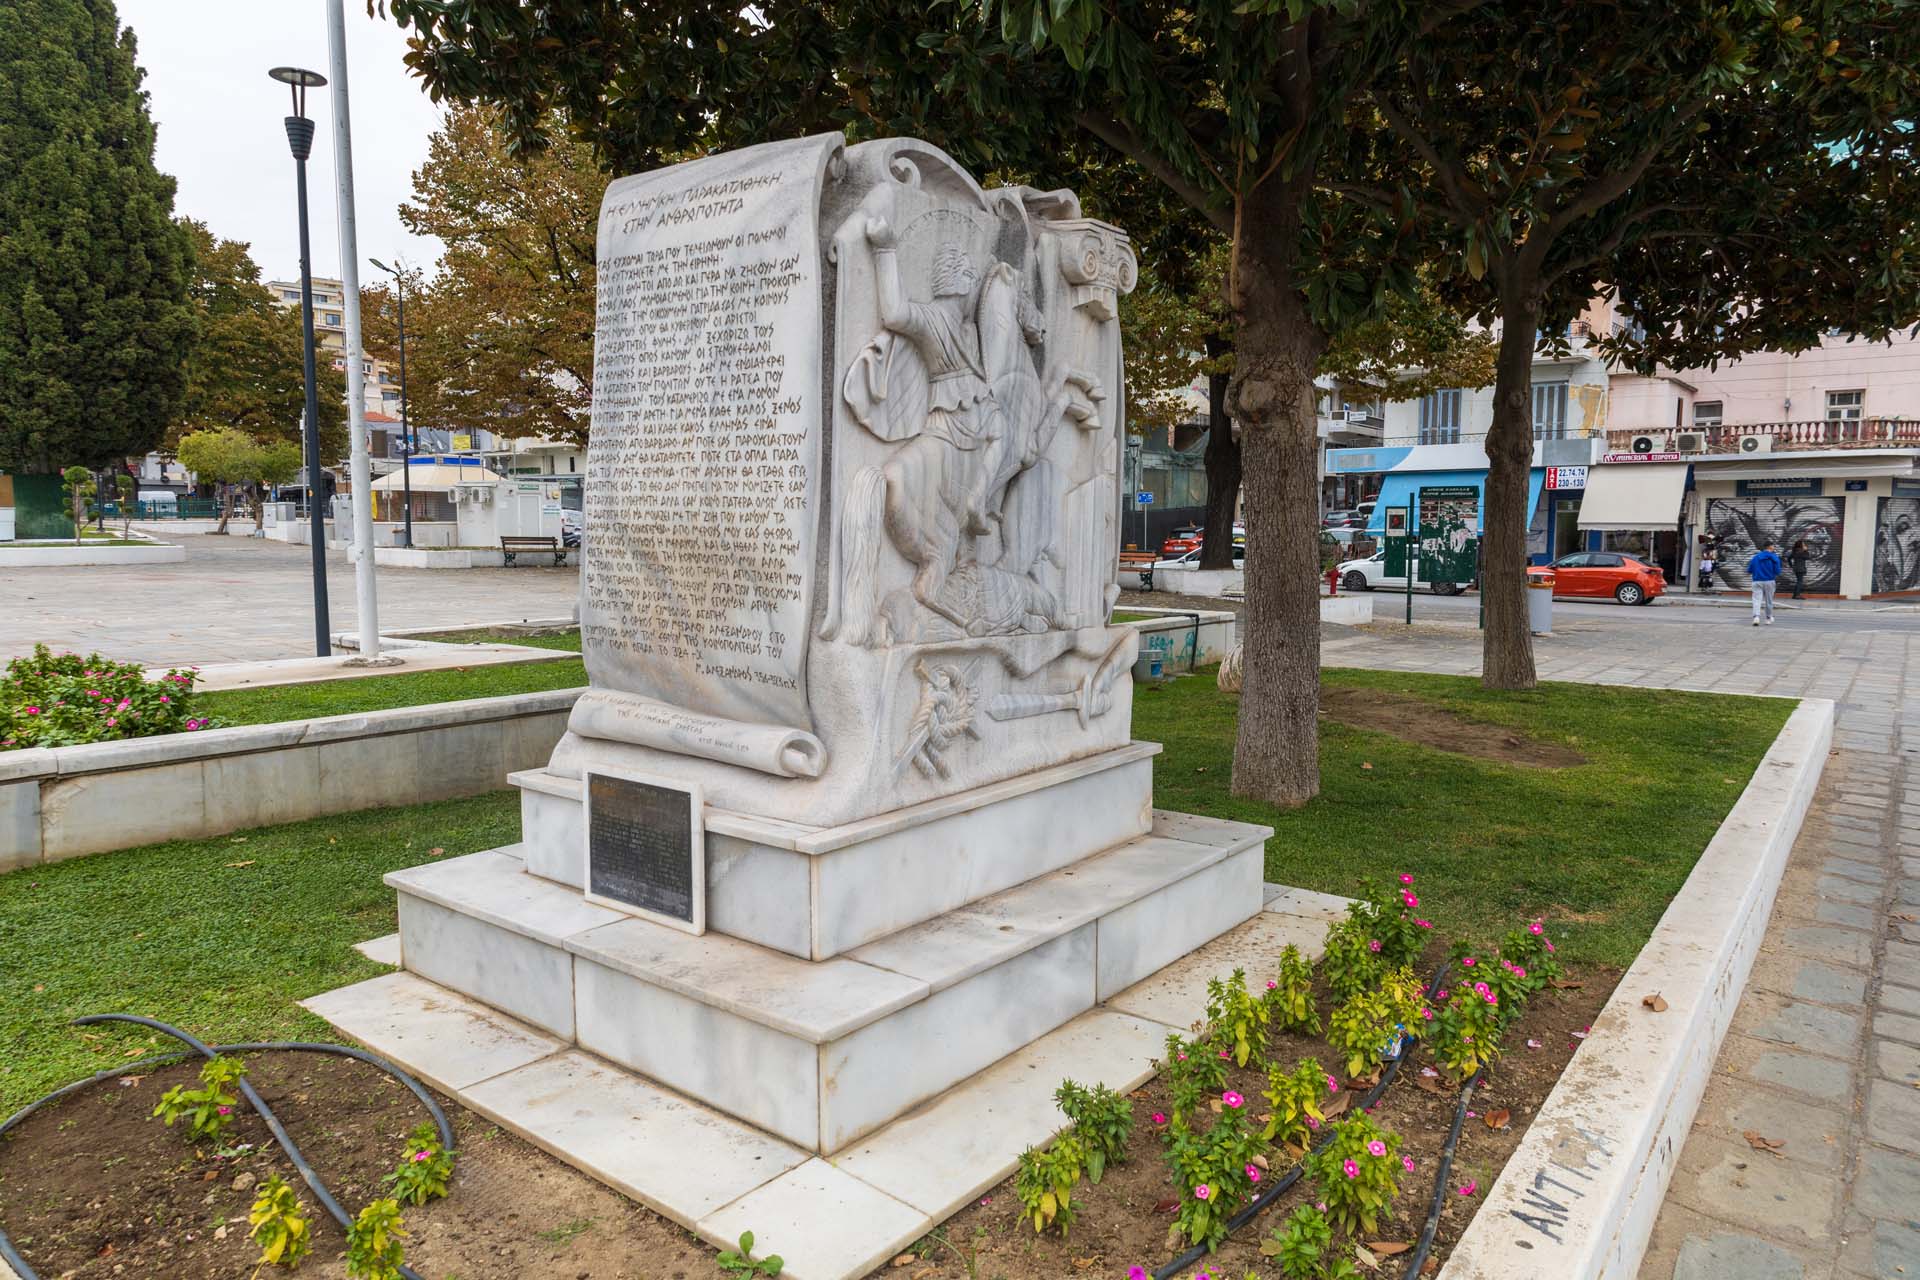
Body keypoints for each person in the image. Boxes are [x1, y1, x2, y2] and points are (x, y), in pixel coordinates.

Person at [1748, 540, 1783, 625]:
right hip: (1769, 581)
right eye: (1773, 546)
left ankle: (1756, 617)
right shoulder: (1774, 557)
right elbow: (1778, 571)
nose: (1774, 547)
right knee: (1769, 600)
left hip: (1757, 581)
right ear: (1770, 547)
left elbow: (1749, 570)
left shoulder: (1756, 557)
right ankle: (1768, 618)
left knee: (1756, 600)